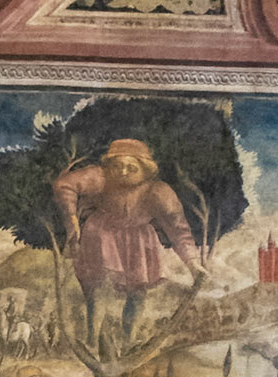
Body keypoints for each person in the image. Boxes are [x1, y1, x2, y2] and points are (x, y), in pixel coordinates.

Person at [52, 137, 205, 342]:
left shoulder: (158, 191)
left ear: (145, 169)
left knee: (138, 292)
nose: (123, 172)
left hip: (140, 241)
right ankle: (92, 340)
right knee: (98, 290)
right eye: (117, 166)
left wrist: (193, 264)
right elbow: (64, 184)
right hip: (101, 235)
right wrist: (72, 220)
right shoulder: (100, 177)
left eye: (131, 168)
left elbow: (178, 229)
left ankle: (128, 341)